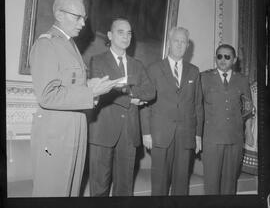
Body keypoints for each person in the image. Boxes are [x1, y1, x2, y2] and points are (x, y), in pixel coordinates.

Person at [29, 0, 119, 197]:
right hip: (55, 137)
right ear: (59, 15)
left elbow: (68, 85)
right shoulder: (47, 44)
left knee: (70, 193)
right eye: (77, 17)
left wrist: (89, 84)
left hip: (74, 133)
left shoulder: (69, 45)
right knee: (51, 193)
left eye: (84, 18)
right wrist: (90, 92)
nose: (83, 23)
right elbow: (47, 95)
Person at [88, 17, 155, 196]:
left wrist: (129, 92)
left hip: (129, 133)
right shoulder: (97, 61)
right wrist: (131, 98)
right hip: (102, 131)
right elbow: (101, 93)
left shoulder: (137, 65)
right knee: (99, 188)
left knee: (124, 189)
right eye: (120, 32)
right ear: (109, 35)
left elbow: (150, 92)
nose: (126, 37)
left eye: (129, 33)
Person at [140, 26, 204, 196]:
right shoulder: (154, 69)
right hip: (160, 133)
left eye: (183, 42)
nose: (180, 45)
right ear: (169, 43)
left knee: (181, 183)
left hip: (186, 134)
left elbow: (198, 105)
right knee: (159, 182)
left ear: (187, 46)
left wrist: (198, 135)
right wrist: (146, 132)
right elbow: (145, 103)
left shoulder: (194, 71)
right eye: (176, 41)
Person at [201, 44, 254, 195]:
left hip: (234, 139)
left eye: (227, 57)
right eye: (219, 56)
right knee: (211, 183)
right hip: (211, 139)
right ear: (215, 58)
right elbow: (197, 108)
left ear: (235, 60)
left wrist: (249, 133)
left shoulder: (242, 80)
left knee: (230, 184)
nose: (223, 60)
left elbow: (247, 109)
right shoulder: (204, 78)